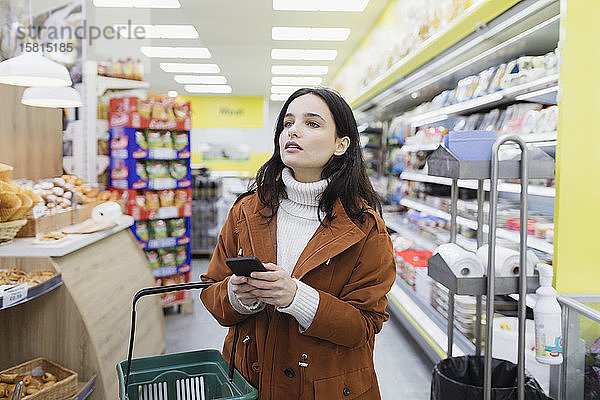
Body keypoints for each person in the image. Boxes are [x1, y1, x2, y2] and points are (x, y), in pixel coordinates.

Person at [200, 87, 396, 400]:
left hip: (327, 388)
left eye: (312, 124)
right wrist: (239, 297)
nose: (294, 131)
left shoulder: (365, 228)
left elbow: (364, 325)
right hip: (249, 382)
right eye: (287, 123)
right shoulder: (246, 211)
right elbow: (212, 291)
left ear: (341, 144)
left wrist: (296, 297)